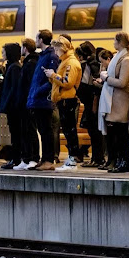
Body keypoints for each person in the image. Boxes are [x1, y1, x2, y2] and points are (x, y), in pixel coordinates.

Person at [97, 32, 129, 173]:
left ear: (120, 42)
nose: (113, 42)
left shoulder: (126, 60)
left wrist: (106, 78)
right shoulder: (118, 58)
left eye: (114, 40)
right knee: (115, 134)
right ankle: (117, 161)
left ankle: (124, 162)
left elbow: (123, 82)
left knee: (122, 134)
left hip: (121, 101)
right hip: (113, 101)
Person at [44, 37, 82, 170]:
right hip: (63, 99)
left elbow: (67, 82)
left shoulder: (70, 62)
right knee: (67, 129)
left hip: (68, 100)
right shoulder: (65, 61)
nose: (55, 51)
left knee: (69, 130)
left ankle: (72, 158)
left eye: (56, 48)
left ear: (62, 48)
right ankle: (71, 157)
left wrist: (53, 75)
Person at [26, 30, 60, 171]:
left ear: (41, 40)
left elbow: (51, 79)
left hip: (43, 100)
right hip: (37, 99)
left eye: (36, 38)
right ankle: (44, 158)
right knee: (42, 130)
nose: (36, 40)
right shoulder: (43, 56)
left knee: (46, 130)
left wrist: (38, 91)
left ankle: (48, 159)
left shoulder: (51, 56)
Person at [13, 38, 40, 170]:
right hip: (27, 101)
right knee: (27, 130)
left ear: (26, 48)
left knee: (29, 130)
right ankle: (28, 157)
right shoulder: (31, 62)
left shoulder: (30, 64)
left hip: (27, 102)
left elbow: (27, 85)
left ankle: (32, 158)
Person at [76, 42, 103, 167]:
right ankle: (97, 158)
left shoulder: (90, 65)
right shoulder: (94, 63)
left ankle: (97, 158)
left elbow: (88, 83)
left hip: (92, 102)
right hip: (92, 101)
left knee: (94, 131)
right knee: (94, 131)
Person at [0, 43, 22, 169]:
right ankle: (16, 158)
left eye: (4, 51)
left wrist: (6, 103)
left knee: (15, 132)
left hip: (13, 107)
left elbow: (13, 88)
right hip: (12, 106)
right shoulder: (13, 67)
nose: (2, 53)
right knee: (14, 132)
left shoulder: (14, 68)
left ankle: (16, 158)